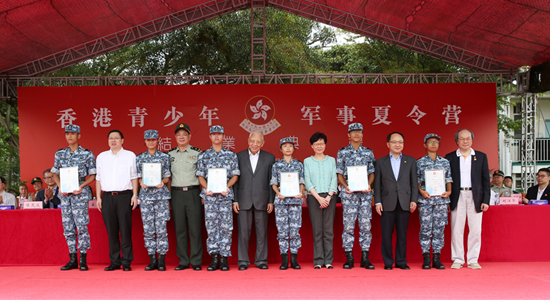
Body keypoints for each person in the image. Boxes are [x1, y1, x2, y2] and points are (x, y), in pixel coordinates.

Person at [51, 124, 96, 271]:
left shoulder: (87, 153)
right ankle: (72, 259)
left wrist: (82, 186)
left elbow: (93, 175)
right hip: (65, 195)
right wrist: (60, 186)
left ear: (79, 136)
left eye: (73, 133)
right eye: (67, 133)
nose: (69, 136)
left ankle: (83, 258)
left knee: (82, 225)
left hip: (80, 193)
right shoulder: (60, 153)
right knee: (68, 226)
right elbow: (55, 173)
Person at [196, 125, 240, 271]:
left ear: (223, 136)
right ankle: (214, 258)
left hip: (225, 197)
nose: (216, 137)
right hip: (210, 198)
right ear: (209, 136)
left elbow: (235, 174)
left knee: (226, 228)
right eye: (213, 134)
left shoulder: (231, 155)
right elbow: (200, 176)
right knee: (212, 228)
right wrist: (207, 187)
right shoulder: (203, 155)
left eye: (219, 134)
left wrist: (227, 186)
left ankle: (225, 259)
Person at [445, 129, 490, 270]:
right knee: (457, 229)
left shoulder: (481, 157)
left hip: (475, 196)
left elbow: (485, 181)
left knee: (475, 229)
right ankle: (458, 258)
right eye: (462, 139)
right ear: (457, 141)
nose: (465, 141)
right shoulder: (450, 157)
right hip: (457, 195)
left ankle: (473, 259)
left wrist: (486, 200)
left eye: (468, 138)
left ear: (472, 140)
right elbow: (446, 179)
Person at [96, 129, 139, 271]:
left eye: (116, 138)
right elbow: (98, 179)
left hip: (124, 196)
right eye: (110, 138)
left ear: (122, 140)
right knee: (112, 231)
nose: (113, 140)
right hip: (107, 197)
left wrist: (135, 195)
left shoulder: (130, 155)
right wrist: (98, 197)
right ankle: (114, 261)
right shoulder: (102, 156)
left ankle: (126, 261)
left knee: (125, 230)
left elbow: (134, 177)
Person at [374, 132, 418, 270]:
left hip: (405, 202)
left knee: (402, 235)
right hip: (386, 203)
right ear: (388, 144)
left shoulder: (410, 161)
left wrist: (413, 200)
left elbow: (414, 183)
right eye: (394, 142)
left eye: (400, 142)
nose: (397, 144)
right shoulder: (380, 162)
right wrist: (377, 202)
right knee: (386, 235)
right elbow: (377, 184)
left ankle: (401, 261)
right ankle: (388, 262)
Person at [233, 131, 275, 270]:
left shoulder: (269, 158)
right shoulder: (238, 156)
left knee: (262, 232)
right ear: (248, 141)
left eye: (258, 142)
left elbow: (271, 181)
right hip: (243, 199)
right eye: (252, 141)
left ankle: (261, 260)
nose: (255, 144)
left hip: (262, 200)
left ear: (262, 143)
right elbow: (235, 181)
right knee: (243, 233)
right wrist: (235, 200)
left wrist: (271, 200)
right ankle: (243, 261)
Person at [336, 123, 376, 269]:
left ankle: (365, 258)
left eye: (359, 131)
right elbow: (339, 173)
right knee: (348, 226)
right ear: (348, 135)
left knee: (366, 226)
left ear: (362, 134)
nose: (357, 134)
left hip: (365, 195)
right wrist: (345, 186)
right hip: (349, 195)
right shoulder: (342, 152)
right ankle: (349, 257)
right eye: (353, 132)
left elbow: (372, 172)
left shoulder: (368, 152)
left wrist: (369, 185)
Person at [168, 123, 203, 271]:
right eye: (178, 134)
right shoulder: (169, 155)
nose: (181, 137)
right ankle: (183, 261)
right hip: (176, 193)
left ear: (189, 136)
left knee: (195, 228)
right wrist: (170, 195)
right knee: (180, 229)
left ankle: (195, 261)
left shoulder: (197, 153)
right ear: (175, 137)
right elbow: (168, 177)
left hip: (193, 192)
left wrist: (201, 194)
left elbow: (202, 175)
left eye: (184, 134)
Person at [136, 130, 172, 271]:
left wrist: (161, 182)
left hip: (161, 197)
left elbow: (167, 176)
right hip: (146, 197)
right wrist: (141, 182)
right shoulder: (140, 158)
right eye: (148, 140)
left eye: (153, 139)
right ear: (145, 141)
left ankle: (162, 260)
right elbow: (139, 176)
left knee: (162, 229)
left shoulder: (164, 157)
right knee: (148, 229)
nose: (151, 142)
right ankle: (152, 260)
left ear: (158, 141)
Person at [415, 134, 452, 270]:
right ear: (425, 145)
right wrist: (421, 191)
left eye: (436, 142)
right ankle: (426, 257)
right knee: (425, 229)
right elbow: (417, 182)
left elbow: (448, 179)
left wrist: (449, 191)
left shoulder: (445, 162)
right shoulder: (419, 162)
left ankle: (436, 257)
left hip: (441, 200)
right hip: (425, 200)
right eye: (430, 142)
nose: (433, 144)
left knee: (439, 229)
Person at [270, 137, 305, 270]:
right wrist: (278, 192)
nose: (288, 148)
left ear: (294, 148)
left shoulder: (299, 164)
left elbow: (302, 181)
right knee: (283, 231)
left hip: (295, 201)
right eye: (285, 146)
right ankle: (284, 259)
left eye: (290, 146)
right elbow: (273, 183)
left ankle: (294, 259)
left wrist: (301, 192)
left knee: (295, 231)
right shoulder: (276, 165)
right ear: (281, 149)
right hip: (281, 201)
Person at [304, 132, 337, 269]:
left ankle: (328, 260)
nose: (319, 146)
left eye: (321, 143)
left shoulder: (331, 160)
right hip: (314, 197)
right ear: (312, 146)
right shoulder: (307, 161)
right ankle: (318, 260)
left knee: (328, 230)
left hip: (330, 197)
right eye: (316, 144)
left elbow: (334, 179)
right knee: (317, 230)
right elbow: (307, 180)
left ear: (325, 145)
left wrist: (328, 197)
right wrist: (318, 198)